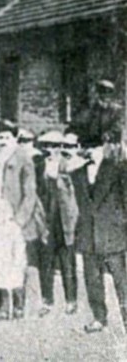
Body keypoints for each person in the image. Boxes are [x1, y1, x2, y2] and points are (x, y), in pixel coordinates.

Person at [0, 120, 43, 319]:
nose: (3, 141)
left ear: (15, 138)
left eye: (7, 137)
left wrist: (20, 220)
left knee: (16, 261)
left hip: (15, 218)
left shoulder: (23, 158)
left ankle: (18, 306)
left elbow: (30, 192)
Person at [75, 130, 127, 334]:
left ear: (101, 147)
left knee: (122, 281)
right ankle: (99, 317)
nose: (87, 151)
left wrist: (122, 226)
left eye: (91, 147)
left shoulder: (119, 169)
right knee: (92, 280)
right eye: (83, 147)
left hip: (112, 235)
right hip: (88, 236)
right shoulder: (78, 172)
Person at [33, 131, 79, 317]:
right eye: (45, 145)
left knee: (68, 262)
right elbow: (35, 194)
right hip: (46, 220)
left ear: (61, 146)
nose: (49, 149)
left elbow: (75, 198)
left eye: (53, 145)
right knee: (46, 263)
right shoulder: (39, 165)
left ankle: (71, 300)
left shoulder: (69, 165)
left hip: (65, 220)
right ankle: (47, 300)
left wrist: (73, 223)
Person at [69, 79, 123, 148]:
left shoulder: (116, 110)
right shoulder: (93, 108)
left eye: (108, 93)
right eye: (102, 93)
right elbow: (84, 124)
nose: (105, 96)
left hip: (109, 146)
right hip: (92, 144)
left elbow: (117, 128)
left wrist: (108, 135)